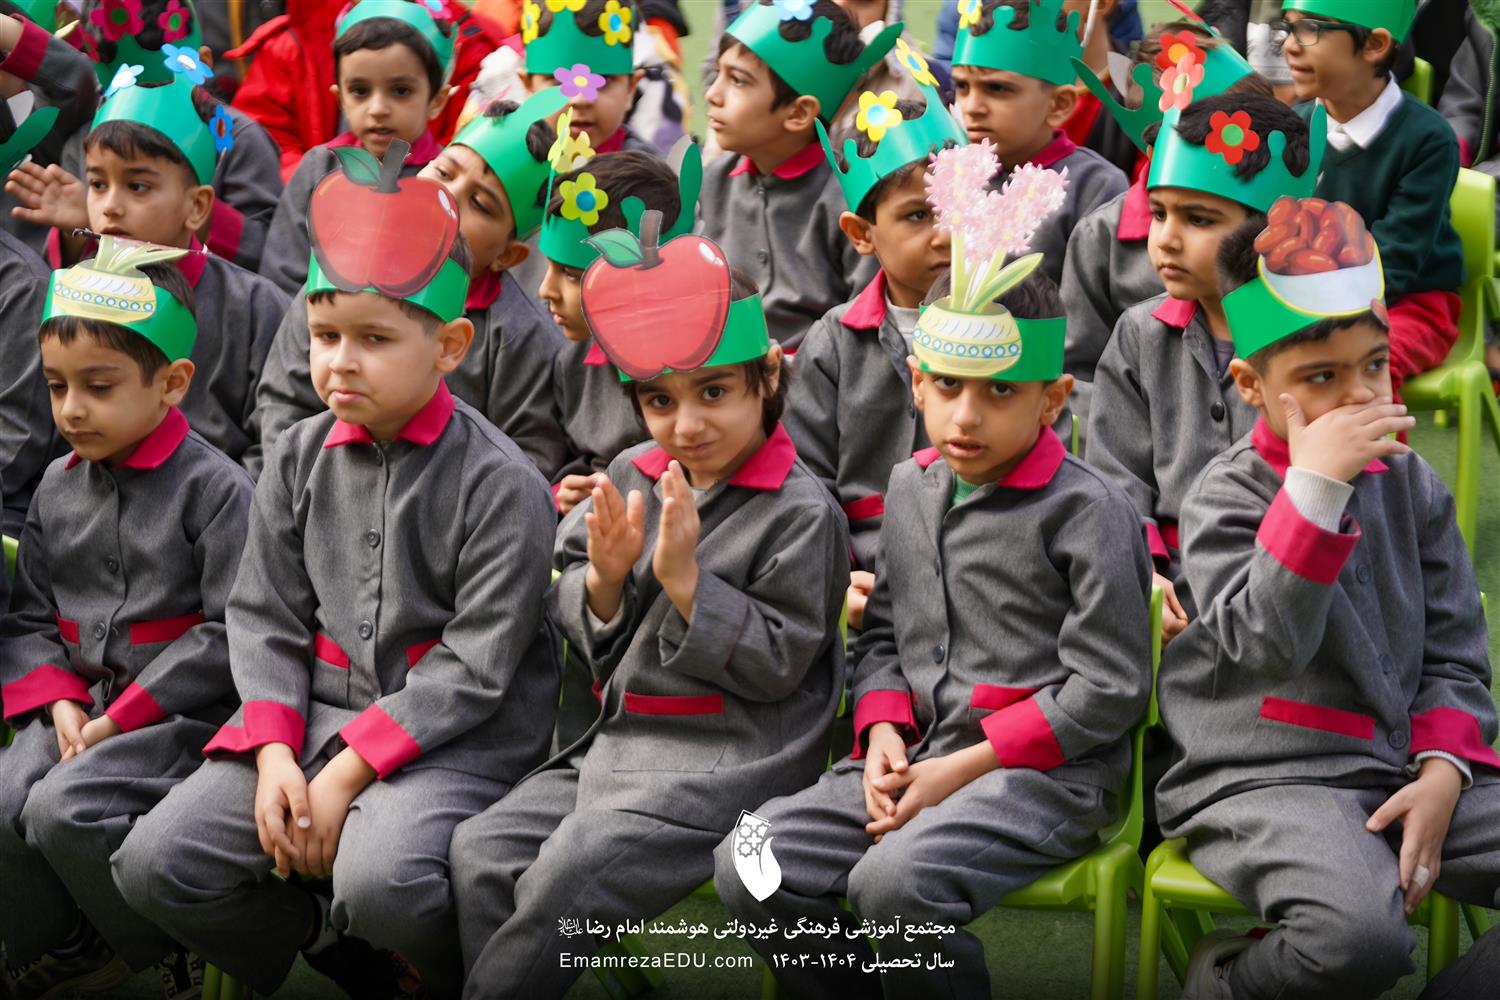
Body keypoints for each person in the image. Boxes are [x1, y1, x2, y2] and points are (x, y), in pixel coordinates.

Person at [112, 144, 561, 1000]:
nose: (340, 361)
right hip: (308, 717)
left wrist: (348, 769)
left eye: (374, 339)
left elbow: (476, 667)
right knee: (157, 862)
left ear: (450, 345)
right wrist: (276, 753)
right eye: (325, 336)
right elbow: (264, 614)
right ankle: (328, 945)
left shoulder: (504, 483)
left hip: (453, 744)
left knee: (383, 882)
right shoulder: (296, 455)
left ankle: (457, 977)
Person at [715, 143, 1151, 999]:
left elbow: (1109, 689)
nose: (966, 416)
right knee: (748, 860)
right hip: (914, 755)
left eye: (999, 392)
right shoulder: (910, 487)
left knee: (893, 884)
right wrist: (881, 729)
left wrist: (963, 767)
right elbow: (884, 636)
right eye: (948, 386)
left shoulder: (1090, 510)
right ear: (918, 384)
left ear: (1053, 399)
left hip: (1045, 777)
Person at [449, 212, 849, 999]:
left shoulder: (804, 513)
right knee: (481, 853)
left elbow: (778, 668)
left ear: (770, 374)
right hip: (616, 745)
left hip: (732, 765)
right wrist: (603, 580)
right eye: (660, 401)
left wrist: (688, 583)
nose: (687, 424)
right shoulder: (633, 469)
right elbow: (570, 594)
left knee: (571, 869)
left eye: (715, 392)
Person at [1159, 199, 1500, 1000]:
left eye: (1374, 365)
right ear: (1252, 385)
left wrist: (1444, 767)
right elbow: (1263, 645)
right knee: (1359, 940)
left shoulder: (1412, 482)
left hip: (1405, 762)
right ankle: (1231, 980)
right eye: (1321, 377)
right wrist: (1312, 491)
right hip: (1266, 778)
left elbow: (1456, 652)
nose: (1359, 395)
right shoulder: (1224, 497)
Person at [0, 238, 253, 999]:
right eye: (56, 386)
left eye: (99, 386)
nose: (71, 409)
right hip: (78, 707)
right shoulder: (55, 485)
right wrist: (61, 702)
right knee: (4, 800)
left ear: (171, 383)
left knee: (62, 810)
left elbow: (232, 631)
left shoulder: (216, 490)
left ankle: (160, 944)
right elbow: (31, 618)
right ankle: (73, 943)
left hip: (181, 717)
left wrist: (120, 717)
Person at [1086, 92, 1318, 641]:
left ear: (1272, 228)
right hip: (1164, 578)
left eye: (1198, 219)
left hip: (1283, 575)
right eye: (1159, 212)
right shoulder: (1139, 333)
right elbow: (1116, 477)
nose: (1166, 238)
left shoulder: (1316, 346)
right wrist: (1143, 569)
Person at [253, 87, 569, 477]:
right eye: (444, 172)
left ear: (507, 255)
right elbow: (284, 400)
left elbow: (530, 453)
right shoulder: (340, 273)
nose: (447, 195)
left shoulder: (518, 337)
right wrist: (301, 483)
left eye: (480, 204)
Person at [0, 74, 286, 495]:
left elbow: (276, 443)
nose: (110, 206)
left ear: (197, 206)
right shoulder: (76, 295)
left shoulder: (255, 306)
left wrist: (220, 504)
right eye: (98, 184)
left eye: (137, 186)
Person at [787, 74, 962, 629]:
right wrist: (833, 574)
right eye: (918, 215)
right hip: (861, 573)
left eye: (956, 206)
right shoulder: (834, 342)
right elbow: (805, 482)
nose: (945, 234)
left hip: (977, 572)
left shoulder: (1009, 324)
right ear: (862, 234)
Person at [1280, 0, 1466, 387]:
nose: (1289, 45)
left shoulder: (1428, 140)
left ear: (1374, 45)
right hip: (1305, 299)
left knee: (1361, 365)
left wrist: (1321, 320)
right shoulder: (1292, 129)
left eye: (1310, 28)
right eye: (1288, 27)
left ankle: (1373, 433)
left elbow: (1394, 260)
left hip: (1413, 303)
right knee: (1258, 354)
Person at [698, 0, 890, 351]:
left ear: (799, 113)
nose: (712, 94)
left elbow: (863, 328)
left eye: (737, 80)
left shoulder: (849, 198)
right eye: (717, 73)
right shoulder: (712, 183)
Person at [258, 0, 455, 295]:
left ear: (437, 100)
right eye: (360, 91)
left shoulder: (449, 179)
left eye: (401, 91)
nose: (377, 109)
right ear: (341, 99)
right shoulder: (318, 168)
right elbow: (282, 277)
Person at [949, 0, 1128, 286]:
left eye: (997, 88)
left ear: (1059, 105)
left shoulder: (1095, 188)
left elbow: (1094, 305)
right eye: (962, 86)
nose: (971, 107)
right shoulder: (950, 177)